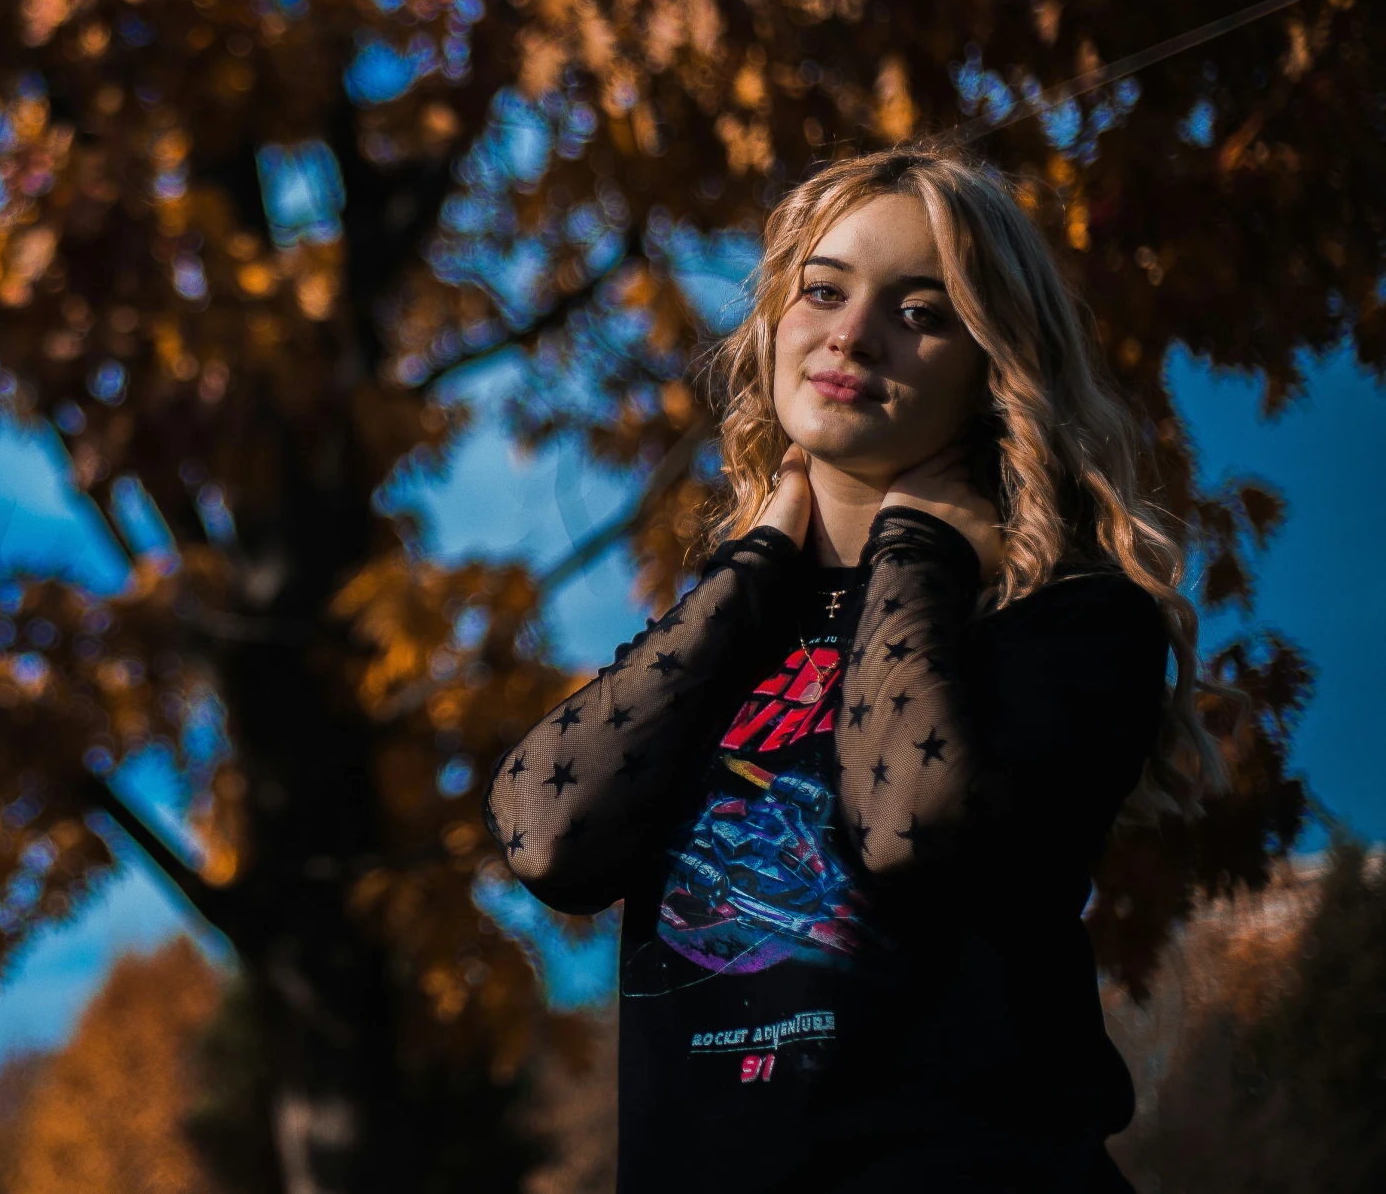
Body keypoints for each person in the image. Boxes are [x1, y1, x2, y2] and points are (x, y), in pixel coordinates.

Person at [485, 145, 1221, 1192]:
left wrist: (916, 548)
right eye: (820, 291)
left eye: (919, 312)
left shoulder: (1075, 622)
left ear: (991, 368)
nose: (850, 333)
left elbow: (905, 821)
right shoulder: (728, 635)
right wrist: (753, 563)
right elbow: (545, 834)